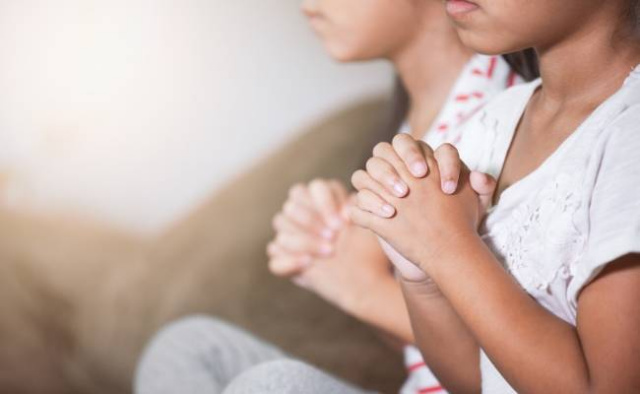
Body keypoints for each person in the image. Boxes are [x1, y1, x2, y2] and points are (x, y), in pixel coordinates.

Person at [134, 0, 536, 392]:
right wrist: (331, 254)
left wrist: (357, 285)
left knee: (271, 386)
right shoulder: (409, 125)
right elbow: (423, 345)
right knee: (187, 347)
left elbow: (506, 354)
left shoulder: (506, 121)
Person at [350, 0, 640, 392]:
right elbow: (475, 381)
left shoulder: (629, 137)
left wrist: (446, 245)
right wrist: (419, 273)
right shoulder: (496, 120)